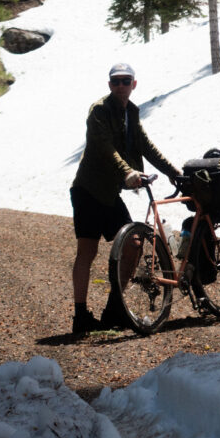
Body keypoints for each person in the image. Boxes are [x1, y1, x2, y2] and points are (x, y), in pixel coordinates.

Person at [70, 62, 181, 334]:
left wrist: (173, 172)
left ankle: (115, 308)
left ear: (134, 84)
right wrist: (128, 172)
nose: (121, 85)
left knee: (133, 243)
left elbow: (146, 146)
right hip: (88, 190)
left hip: (109, 193)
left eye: (126, 81)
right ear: (110, 85)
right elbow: (105, 147)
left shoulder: (131, 112)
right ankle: (81, 315)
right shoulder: (99, 110)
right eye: (116, 81)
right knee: (87, 251)